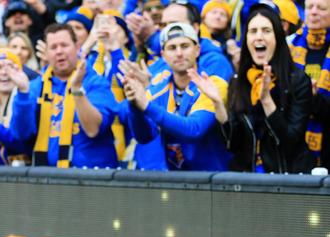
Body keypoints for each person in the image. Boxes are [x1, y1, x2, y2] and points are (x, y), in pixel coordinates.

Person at [210, 3, 313, 172]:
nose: (259, 37)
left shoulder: (298, 81)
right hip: (249, 180)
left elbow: (291, 142)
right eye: (253, 31)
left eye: (266, 31)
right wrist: (219, 105)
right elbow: (233, 144)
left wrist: (266, 100)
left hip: (288, 178)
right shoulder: (238, 81)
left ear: (278, 38)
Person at [122, 22, 231, 171]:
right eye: (172, 48)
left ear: (197, 50)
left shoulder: (214, 84)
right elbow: (144, 136)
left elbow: (194, 129)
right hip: (177, 182)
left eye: (185, 46)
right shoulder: (158, 89)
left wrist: (147, 106)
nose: (179, 53)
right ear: (163, 55)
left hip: (216, 180)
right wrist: (134, 105)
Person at [10, 23, 119, 168]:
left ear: (77, 47)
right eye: (53, 47)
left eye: (64, 45)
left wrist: (77, 91)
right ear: (47, 53)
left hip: (92, 180)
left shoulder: (95, 83)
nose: (59, 51)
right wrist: (23, 93)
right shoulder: (35, 87)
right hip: (47, 179)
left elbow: (93, 129)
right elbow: (21, 135)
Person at [289, 0, 330, 168]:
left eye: (321, 8)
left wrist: (313, 98)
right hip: (296, 146)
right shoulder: (289, 45)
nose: (314, 12)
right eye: (310, 7)